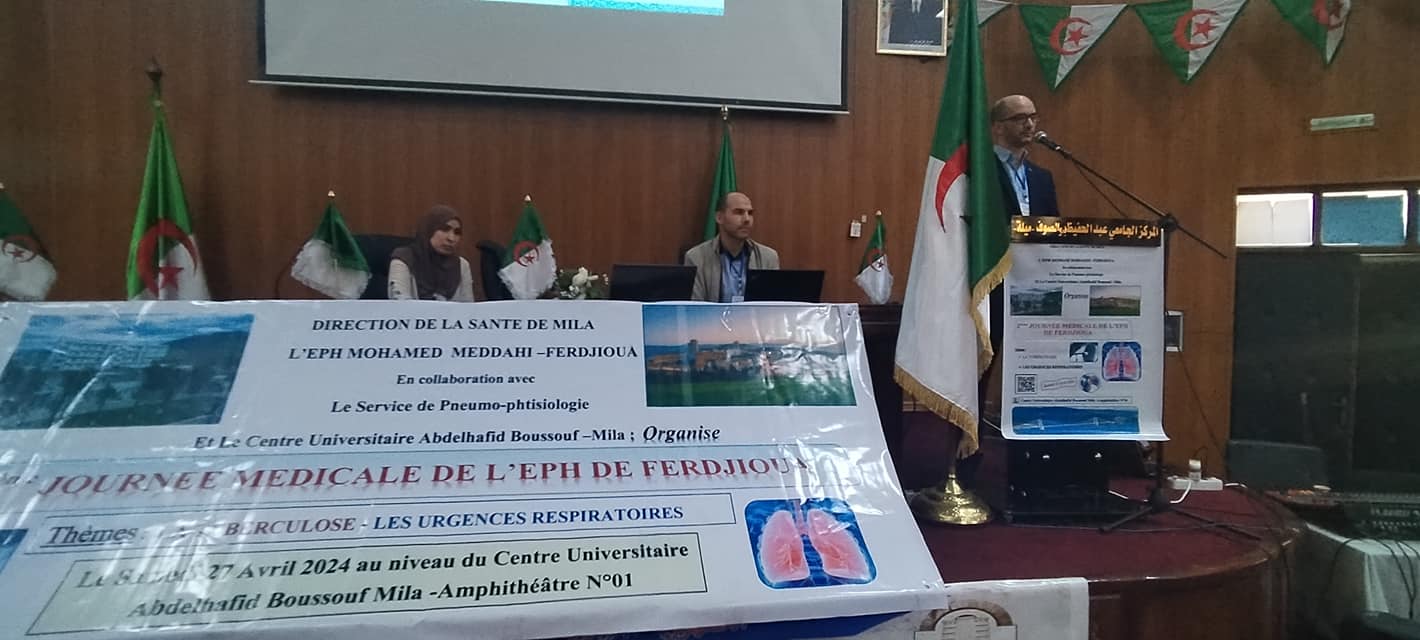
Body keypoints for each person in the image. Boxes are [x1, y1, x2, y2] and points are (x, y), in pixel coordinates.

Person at [685, 192, 779, 303]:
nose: (747, 219)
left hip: (754, 315)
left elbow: (772, 306)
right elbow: (695, 307)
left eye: (750, 213)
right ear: (719, 217)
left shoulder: (768, 257)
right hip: (712, 315)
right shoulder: (696, 257)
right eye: (739, 212)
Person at [388, 205, 476, 301]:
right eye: (444, 229)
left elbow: (468, 307)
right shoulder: (404, 260)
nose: (451, 238)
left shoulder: (462, 265)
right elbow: (399, 304)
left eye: (457, 232)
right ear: (428, 230)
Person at [991, 95, 1060, 218]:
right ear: (998, 127)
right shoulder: (982, 170)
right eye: (1020, 118)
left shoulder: (1042, 178)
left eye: (1033, 118)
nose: (1029, 125)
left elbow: (1052, 224)